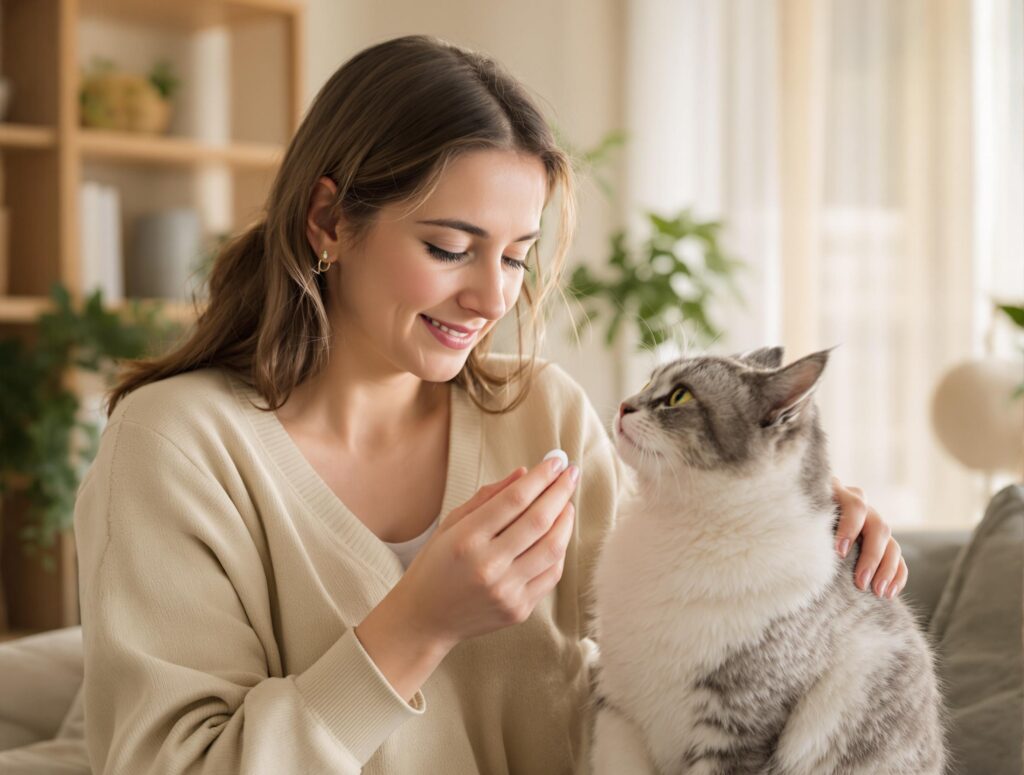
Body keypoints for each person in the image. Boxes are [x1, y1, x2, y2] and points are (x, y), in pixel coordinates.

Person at [72, 34, 908, 775]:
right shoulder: (175, 445)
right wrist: (416, 627)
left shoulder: (544, 413)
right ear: (328, 219)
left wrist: (782, 517)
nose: (491, 298)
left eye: (515, 258)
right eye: (448, 247)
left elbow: (678, 645)